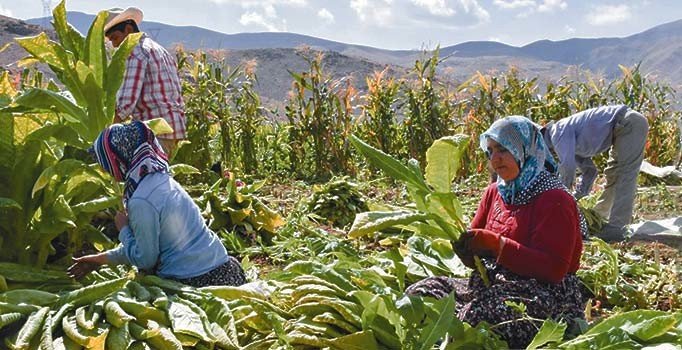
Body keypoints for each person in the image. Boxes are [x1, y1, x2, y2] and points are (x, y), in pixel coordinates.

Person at [405, 116, 585, 349]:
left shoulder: (554, 199)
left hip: (542, 294)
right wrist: (466, 250)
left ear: (525, 149)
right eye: (490, 151)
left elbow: (555, 269)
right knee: (420, 293)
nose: (495, 158)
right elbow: (477, 245)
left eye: (503, 149)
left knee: (477, 320)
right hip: (491, 284)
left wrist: (498, 245)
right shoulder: (495, 192)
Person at [67, 121, 246, 288]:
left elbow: (146, 259)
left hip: (194, 279)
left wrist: (123, 230)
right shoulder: (161, 178)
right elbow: (145, 246)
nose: (104, 169)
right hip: (224, 267)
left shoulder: (141, 200)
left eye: (105, 162)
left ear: (118, 159)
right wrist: (100, 259)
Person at [541, 105, 649, 241]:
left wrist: (561, 200)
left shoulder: (558, 132)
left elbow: (568, 168)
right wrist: (576, 196)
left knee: (625, 174)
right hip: (619, 130)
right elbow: (590, 172)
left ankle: (618, 228)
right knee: (613, 174)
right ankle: (601, 216)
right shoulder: (568, 143)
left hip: (628, 123)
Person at [103, 7, 186, 156]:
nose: (114, 45)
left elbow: (126, 103)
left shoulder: (135, 50)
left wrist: (105, 137)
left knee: (143, 177)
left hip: (154, 133)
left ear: (128, 30)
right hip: (173, 129)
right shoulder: (160, 49)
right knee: (160, 178)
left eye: (115, 38)